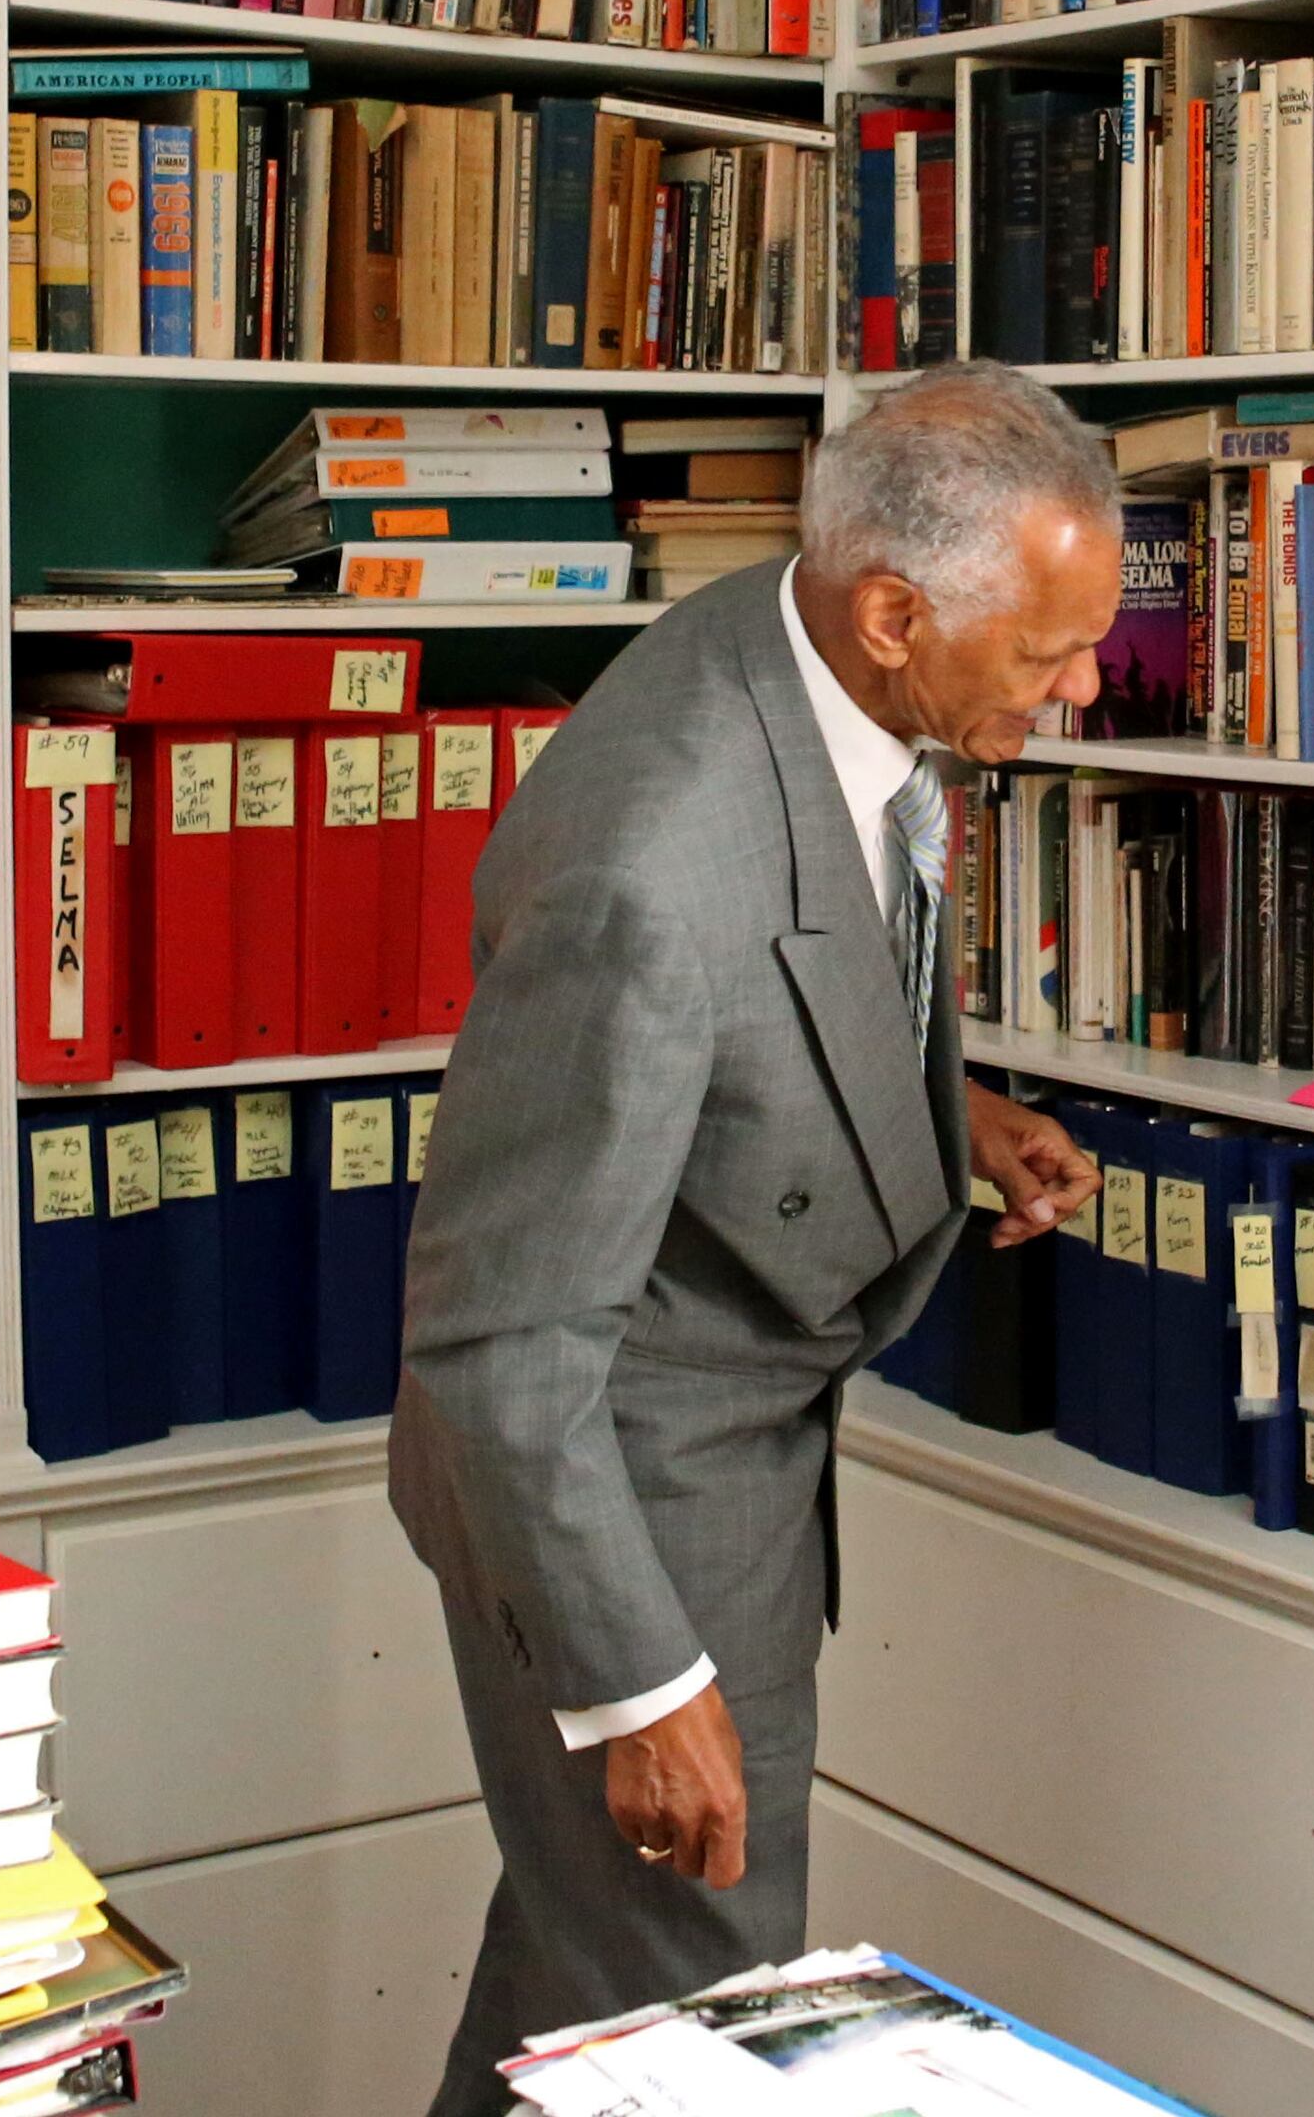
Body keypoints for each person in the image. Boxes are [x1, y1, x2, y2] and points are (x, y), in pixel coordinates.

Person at [390, 364, 1117, 2117]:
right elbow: (500, 1340)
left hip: (727, 1445)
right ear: (894, 611)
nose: (1083, 685)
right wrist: (638, 1678)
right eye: (1045, 652)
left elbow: (779, 989)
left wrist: (943, 1119)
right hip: (621, 1495)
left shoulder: (798, 646)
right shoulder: (651, 865)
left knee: (584, 1991)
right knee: (701, 2026)